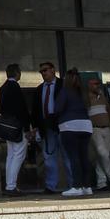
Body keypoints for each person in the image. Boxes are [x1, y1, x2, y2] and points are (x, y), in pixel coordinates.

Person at [30, 61, 72, 193]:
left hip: (62, 125)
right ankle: (50, 185)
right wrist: (35, 126)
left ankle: (73, 185)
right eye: (41, 71)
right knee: (49, 157)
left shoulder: (63, 85)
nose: (43, 73)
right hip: (46, 126)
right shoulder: (39, 89)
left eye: (45, 70)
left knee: (67, 157)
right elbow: (35, 110)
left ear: (53, 70)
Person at [53, 69, 94, 197]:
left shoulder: (65, 91)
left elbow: (57, 108)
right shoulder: (83, 93)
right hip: (86, 125)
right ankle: (87, 186)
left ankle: (76, 186)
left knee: (73, 156)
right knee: (84, 157)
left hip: (69, 125)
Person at [0, 63, 31, 197]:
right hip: (17, 126)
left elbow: (0, 109)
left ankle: (9, 184)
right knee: (19, 155)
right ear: (17, 73)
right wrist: (27, 127)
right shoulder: (14, 87)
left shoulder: (3, 87)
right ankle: (11, 185)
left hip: (7, 127)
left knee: (11, 155)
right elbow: (22, 109)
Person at [86, 77, 110, 190]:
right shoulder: (86, 98)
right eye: (94, 84)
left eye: (98, 84)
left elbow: (108, 110)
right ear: (89, 85)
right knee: (103, 153)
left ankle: (101, 182)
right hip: (95, 129)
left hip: (106, 128)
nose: (96, 86)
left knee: (103, 156)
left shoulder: (102, 96)